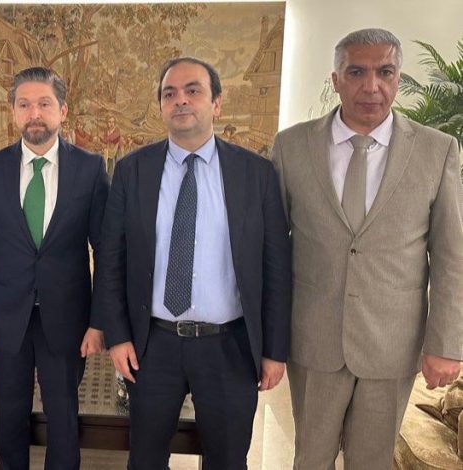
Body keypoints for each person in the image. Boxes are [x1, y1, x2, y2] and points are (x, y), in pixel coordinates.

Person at [270, 28, 463, 469]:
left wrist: (446, 343)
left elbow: (452, 257)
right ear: (336, 79)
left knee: (372, 462)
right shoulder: (293, 146)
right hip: (313, 339)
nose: (371, 86)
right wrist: (268, 339)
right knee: (310, 458)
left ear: (398, 79)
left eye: (385, 72)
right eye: (356, 72)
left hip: (392, 342)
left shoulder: (437, 151)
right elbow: (272, 251)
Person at [93, 57, 291, 469]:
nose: (180, 100)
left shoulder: (256, 174)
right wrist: (118, 336)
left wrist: (274, 350)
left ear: (216, 104)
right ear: (161, 106)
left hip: (229, 346)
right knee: (145, 460)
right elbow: (111, 258)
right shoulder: (132, 171)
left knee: (228, 460)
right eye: (170, 93)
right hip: (153, 346)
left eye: (192, 91)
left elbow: (275, 266)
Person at [0, 66, 109, 470]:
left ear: (63, 110)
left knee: (64, 420)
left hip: (68, 320)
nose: (34, 113)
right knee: (9, 419)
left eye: (44, 103)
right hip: (5, 320)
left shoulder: (90, 169)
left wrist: (99, 322)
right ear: (13, 111)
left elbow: (106, 251)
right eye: (24, 105)